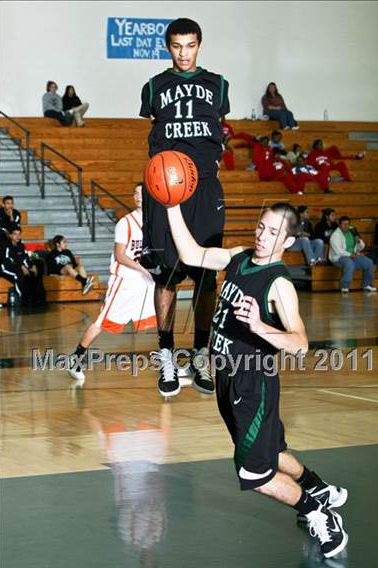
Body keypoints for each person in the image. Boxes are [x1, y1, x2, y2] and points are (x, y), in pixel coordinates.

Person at [166, 201, 349, 559]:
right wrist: (172, 203)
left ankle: (318, 511)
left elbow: (300, 345)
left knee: (255, 474)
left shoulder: (280, 284)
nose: (263, 236)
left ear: (290, 241)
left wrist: (261, 327)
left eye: (274, 233)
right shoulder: (238, 256)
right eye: (261, 227)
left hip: (254, 384)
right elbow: (191, 252)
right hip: (228, 380)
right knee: (272, 453)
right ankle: (318, 487)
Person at [139, 18, 230, 397]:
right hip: (167, 189)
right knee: (166, 276)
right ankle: (166, 357)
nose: (184, 52)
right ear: (168, 47)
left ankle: (200, 355)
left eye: (190, 45)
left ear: (200, 45)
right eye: (177, 45)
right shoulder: (154, 87)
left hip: (205, 188)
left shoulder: (219, 84)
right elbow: (153, 131)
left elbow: (218, 128)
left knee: (208, 276)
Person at [68, 183, 156, 381]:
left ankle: (172, 364)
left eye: (142, 194)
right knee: (102, 321)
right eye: (135, 193)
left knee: (164, 314)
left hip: (146, 282)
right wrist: (143, 269)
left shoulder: (154, 221)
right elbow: (120, 255)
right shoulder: (125, 223)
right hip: (125, 281)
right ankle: (77, 357)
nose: (138, 197)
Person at [0, 225, 46, 305]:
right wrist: (21, 266)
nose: (17, 236)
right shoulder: (5, 246)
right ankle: (21, 298)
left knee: (34, 273)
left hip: (17, 267)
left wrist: (31, 266)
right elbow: (7, 261)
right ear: (10, 235)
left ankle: (36, 298)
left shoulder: (21, 246)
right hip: (4, 268)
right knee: (19, 275)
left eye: (19, 234)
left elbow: (25, 258)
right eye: (15, 234)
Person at [329, 216, 377, 293]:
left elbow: (361, 247)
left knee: (369, 262)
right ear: (340, 225)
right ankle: (345, 286)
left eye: (348, 224)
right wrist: (350, 255)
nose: (346, 226)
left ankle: (367, 285)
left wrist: (358, 241)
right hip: (339, 258)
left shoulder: (352, 232)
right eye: (344, 224)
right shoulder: (335, 235)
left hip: (353, 255)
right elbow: (338, 251)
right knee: (349, 263)